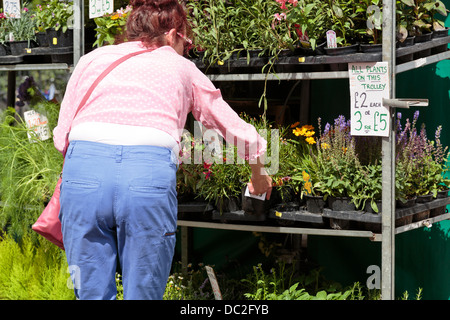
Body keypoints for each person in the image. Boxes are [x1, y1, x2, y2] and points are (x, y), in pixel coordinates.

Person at [53, 0, 272, 300]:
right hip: (145, 178)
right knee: (144, 292)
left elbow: (62, 135)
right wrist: (259, 172)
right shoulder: (180, 66)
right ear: (172, 35)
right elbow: (227, 123)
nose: (186, 48)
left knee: (89, 293)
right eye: (187, 41)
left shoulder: (92, 59)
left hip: (84, 175)